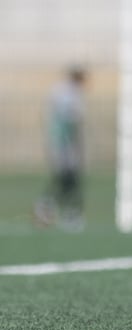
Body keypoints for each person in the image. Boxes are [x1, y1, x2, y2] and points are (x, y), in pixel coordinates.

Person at [34, 66, 87, 231]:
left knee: (67, 181)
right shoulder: (71, 94)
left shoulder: (60, 91)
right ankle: (63, 212)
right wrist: (75, 146)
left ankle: (48, 207)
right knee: (69, 181)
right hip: (65, 143)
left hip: (59, 142)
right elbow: (70, 122)